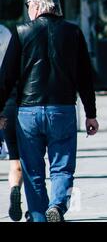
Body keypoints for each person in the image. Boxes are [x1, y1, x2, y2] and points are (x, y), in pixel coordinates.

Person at [0, 0, 99, 222]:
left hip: (28, 112)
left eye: (28, 5)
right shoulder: (73, 32)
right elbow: (85, 76)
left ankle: (38, 216)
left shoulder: (21, 31)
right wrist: (90, 113)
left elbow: (6, 77)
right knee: (62, 167)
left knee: (33, 170)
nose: (28, 10)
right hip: (62, 109)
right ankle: (57, 205)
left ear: (35, 5)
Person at [0, 24, 23, 221]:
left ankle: (14, 187)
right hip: (25, 106)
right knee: (28, 161)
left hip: (6, 108)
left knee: (14, 159)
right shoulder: (6, 34)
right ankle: (35, 207)